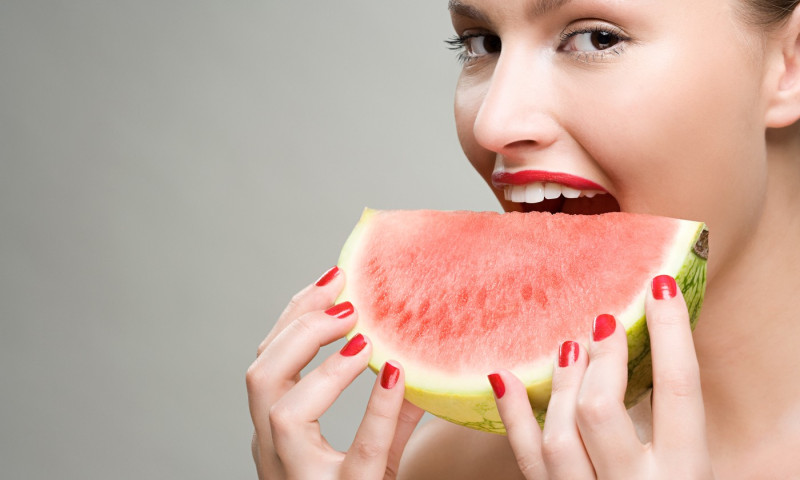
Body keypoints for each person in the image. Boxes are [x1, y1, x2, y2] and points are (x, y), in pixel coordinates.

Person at [246, 0, 800, 477]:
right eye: (481, 42)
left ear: (789, 62)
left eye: (596, 38)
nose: (493, 123)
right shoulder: (445, 469)